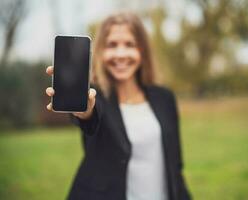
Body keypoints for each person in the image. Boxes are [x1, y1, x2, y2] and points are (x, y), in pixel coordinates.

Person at [45, 12, 191, 200]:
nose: (120, 54)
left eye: (129, 44)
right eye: (112, 45)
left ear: (142, 50)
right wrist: (84, 110)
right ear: (100, 52)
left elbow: (175, 166)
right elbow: (89, 117)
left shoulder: (164, 98)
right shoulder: (95, 97)